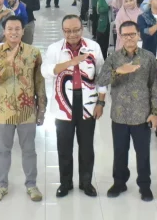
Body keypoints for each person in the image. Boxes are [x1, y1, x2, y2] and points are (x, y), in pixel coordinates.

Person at [0, 15, 47, 203]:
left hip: (27, 110)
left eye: (17, 29)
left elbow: (39, 82)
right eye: (10, 29)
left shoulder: (33, 53)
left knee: (29, 150)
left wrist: (42, 108)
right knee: (3, 150)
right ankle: (1, 185)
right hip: (3, 111)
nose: (13, 32)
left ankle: (31, 185)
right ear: (4, 31)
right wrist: (6, 62)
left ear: (23, 31)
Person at [96, 20, 157, 201]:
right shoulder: (113, 58)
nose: (129, 38)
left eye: (132, 34)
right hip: (119, 114)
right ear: (120, 37)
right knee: (120, 152)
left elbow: (155, 86)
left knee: (143, 153)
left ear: (138, 35)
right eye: (125, 35)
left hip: (142, 115)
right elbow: (101, 80)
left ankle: (144, 185)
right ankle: (119, 183)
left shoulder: (148, 57)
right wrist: (119, 71)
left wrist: (155, 112)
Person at [41, 15, 105, 198]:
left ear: (82, 29)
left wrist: (101, 102)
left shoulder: (93, 47)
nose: (72, 34)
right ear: (63, 31)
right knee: (64, 147)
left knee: (86, 147)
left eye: (76, 30)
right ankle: (65, 183)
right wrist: (70, 63)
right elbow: (46, 71)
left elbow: (102, 76)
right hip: (63, 105)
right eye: (67, 31)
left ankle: (86, 182)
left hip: (88, 103)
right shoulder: (55, 49)